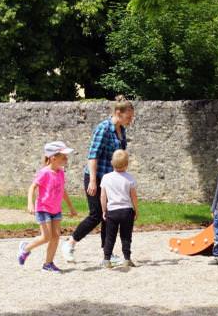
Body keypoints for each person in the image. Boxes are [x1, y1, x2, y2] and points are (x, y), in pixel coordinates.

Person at [63, 96, 134, 264]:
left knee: (107, 215)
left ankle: (107, 254)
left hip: (110, 180)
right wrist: (93, 181)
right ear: (118, 113)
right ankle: (70, 243)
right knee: (95, 215)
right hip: (96, 176)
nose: (131, 120)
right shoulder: (103, 128)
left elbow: (119, 157)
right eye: (129, 116)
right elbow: (93, 155)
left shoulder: (121, 131)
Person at [18, 141, 78, 273]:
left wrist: (71, 207)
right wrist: (30, 203)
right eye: (64, 157)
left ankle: (48, 264)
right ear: (53, 157)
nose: (66, 159)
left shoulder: (61, 173)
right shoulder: (44, 172)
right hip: (43, 208)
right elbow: (32, 187)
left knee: (56, 236)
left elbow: (63, 191)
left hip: (56, 209)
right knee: (46, 237)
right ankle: (25, 248)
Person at [100, 150, 139, 268]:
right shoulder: (130, 178)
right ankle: (127, 258)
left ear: (112, 163)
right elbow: (133, 196)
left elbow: (103, 196)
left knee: (110, 236)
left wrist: (104, 210)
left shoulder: (106, 178)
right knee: (126, 236)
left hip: (112, 211)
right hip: (127, 211)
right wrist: (136, 210)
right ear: (127, 164)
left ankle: (107, 260)